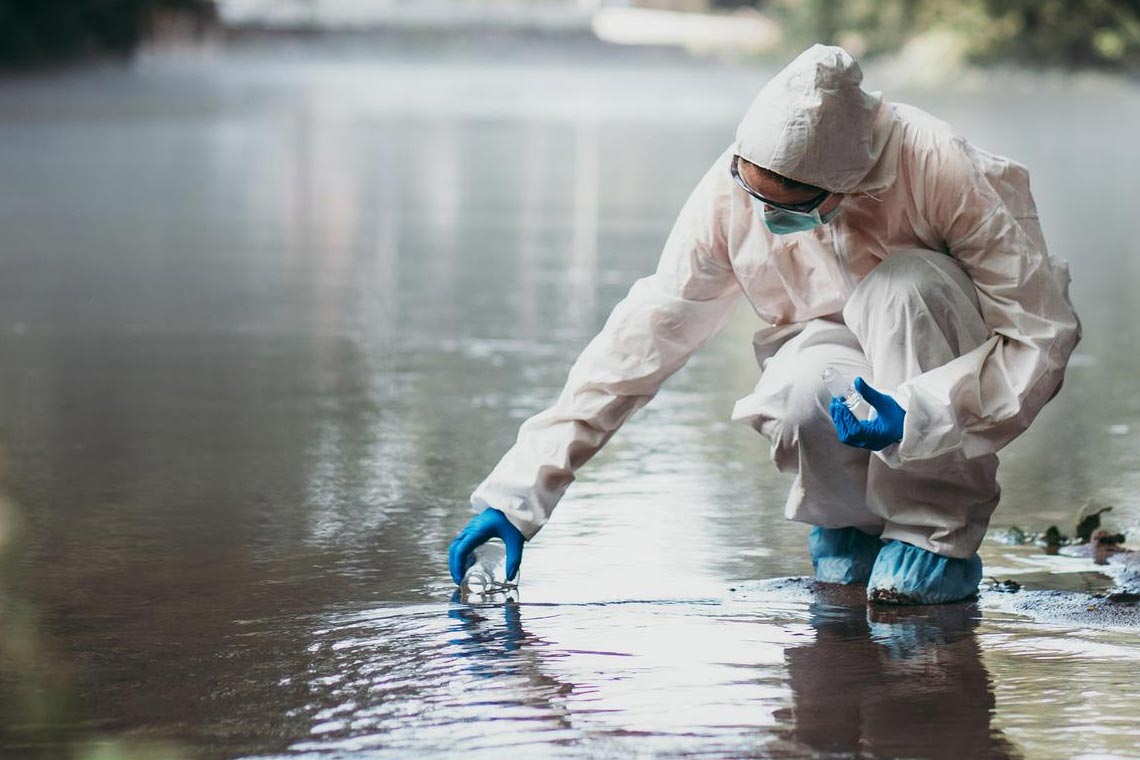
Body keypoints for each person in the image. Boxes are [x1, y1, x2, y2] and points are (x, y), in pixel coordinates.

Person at [447, 44, 1081, 605]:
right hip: (834, 348)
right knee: (806, 383)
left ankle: (932, 533)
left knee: (902, 287)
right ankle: (847, 525)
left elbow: (1040, 332)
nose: (763, 214)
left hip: (937, 344)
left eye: (788, 206)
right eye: (755, 195)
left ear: (845, 184)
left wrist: (920, 409)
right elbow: (645, 334)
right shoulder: (733, 190)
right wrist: (519, 494)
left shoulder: (938, 164)